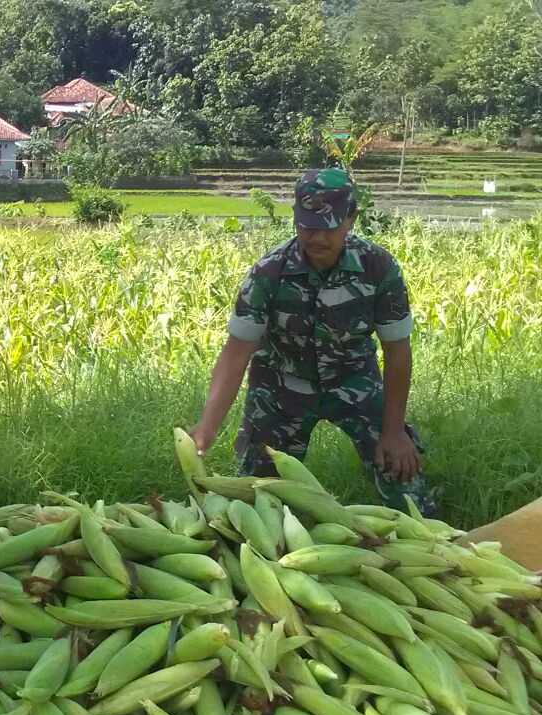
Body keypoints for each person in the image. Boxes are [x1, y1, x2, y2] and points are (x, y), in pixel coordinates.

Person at [188, 168, 438, 516]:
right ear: (295, 218)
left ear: (351, 219)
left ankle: (435, 547)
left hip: (355, 378)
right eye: (307, 226)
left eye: (329, 226)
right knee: (259, 500)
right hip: (280, 385)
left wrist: (394, 430)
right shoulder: (268, 273)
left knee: (408, 485)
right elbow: (236, 353)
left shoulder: (378, 268)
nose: (317, 238)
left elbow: (397, 352)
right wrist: (207, 426)